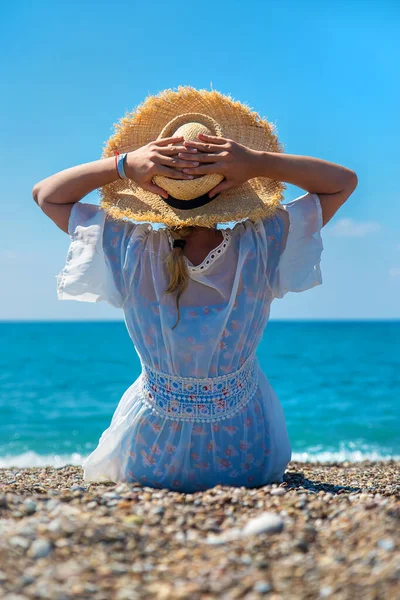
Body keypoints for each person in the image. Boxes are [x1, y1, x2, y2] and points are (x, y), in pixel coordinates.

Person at [32, 87, 357, 493]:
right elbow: (342, 182)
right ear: (228, 187)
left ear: (155, 187)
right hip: (245, 453)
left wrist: (122, 165)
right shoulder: (262, 243)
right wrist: (258, 163)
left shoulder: (129, 248)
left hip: (149, 455)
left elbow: (45, 195)